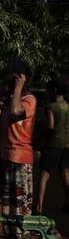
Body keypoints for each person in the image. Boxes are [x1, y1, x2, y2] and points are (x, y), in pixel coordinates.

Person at [0, 61, 36, 239]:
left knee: (21, 205)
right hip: (8, 157)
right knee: (9, 203)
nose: (8, 83)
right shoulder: (12, 99)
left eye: (13, 79)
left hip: (21, 159)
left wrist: (18, 88)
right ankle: (11, 236)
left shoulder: (29, 99)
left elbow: (15, 113)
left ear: (21, 78)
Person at [36, 76, 69, 215]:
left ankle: (39, 206)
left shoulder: (51, 107)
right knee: (66, 174)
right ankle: (68, 204)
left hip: (53, 144)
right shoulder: (67, 105)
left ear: (54, 90)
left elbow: (50, 126)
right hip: (66, 145)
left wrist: (39, 135)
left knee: (44, 174)